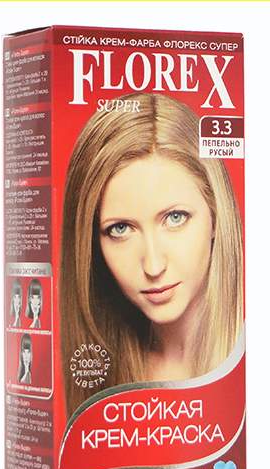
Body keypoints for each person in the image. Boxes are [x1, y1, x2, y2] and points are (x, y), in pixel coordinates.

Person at [59, 93, 243, 418]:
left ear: (216, 216)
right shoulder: (100, 375)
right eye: (120, 229)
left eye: (175, 218)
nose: (154, 265)